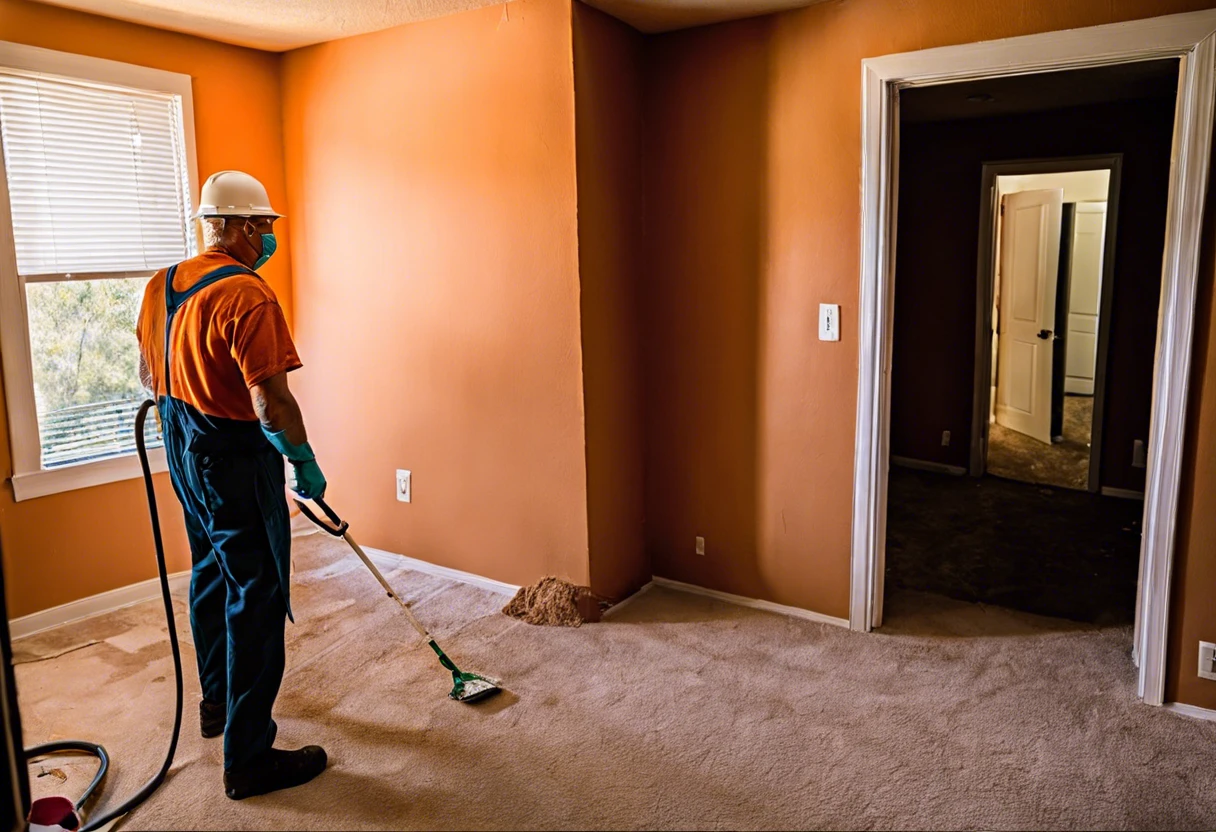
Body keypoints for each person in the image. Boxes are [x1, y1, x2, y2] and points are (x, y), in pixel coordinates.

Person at [136, 170, 329, 800]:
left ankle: (216, 706)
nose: (269, 237)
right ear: (245, 226)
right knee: (258, 593)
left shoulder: (160, 284)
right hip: (233, 457)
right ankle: (248, 759)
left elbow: (148, 375)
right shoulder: (249, 295)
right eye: (265, 226)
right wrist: (302, 460)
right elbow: (271, 403)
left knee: (211, 572)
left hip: (182, 447)